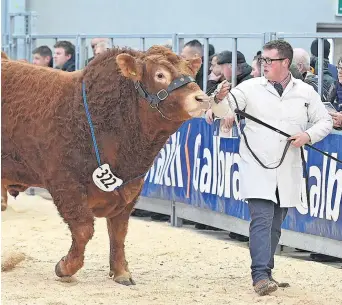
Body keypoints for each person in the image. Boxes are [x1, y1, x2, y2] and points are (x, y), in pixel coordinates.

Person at [211, 40, 333, 296]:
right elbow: (223, 110)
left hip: (288, 165)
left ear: (285, 63)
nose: (264, 65)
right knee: (262, 219)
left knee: (276, 224)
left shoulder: (305, 91)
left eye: (270, 60)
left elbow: (324, 121)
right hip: (256, 165)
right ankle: (259, 276)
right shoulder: (250, 87)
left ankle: (267, 270)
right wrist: (219, 99)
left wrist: (307, 136)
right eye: (263, 60)